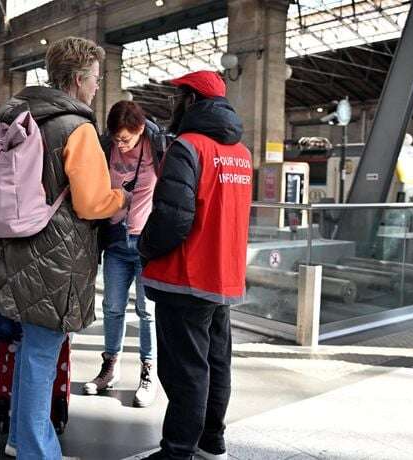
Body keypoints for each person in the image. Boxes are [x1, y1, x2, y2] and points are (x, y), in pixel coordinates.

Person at [0, 36, 129, 460]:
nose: (98, 86)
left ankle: (22, 439)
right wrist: (123, 198)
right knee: (42, 355)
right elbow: (92, 202)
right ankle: (39, 452)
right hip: (54, 258)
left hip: (10, 247)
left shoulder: (18, 116)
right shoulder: (76, 128)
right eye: (96, 78)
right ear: (78, 80)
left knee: (29, 352)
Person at [138, 71, 253, 460]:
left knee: (185, 371)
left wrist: (146, 247)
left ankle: (177, 452)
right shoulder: (242, 153)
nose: (173, 103)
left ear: (190, 100)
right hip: (224, 276)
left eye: (177, 95)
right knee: (216, 362)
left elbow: (173, 217)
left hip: (185, 278)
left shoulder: (188, 147)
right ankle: (211, 441)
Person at [83, 101, 165, 407]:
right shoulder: (107, 146)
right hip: (116, 241)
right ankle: (110, 367)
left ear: (141, 130)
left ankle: (148, 372)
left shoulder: (158, 146)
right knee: (113, 307)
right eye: (116, 138)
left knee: (147, 312)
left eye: (126, 139)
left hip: (145, 242)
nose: (121, 144)